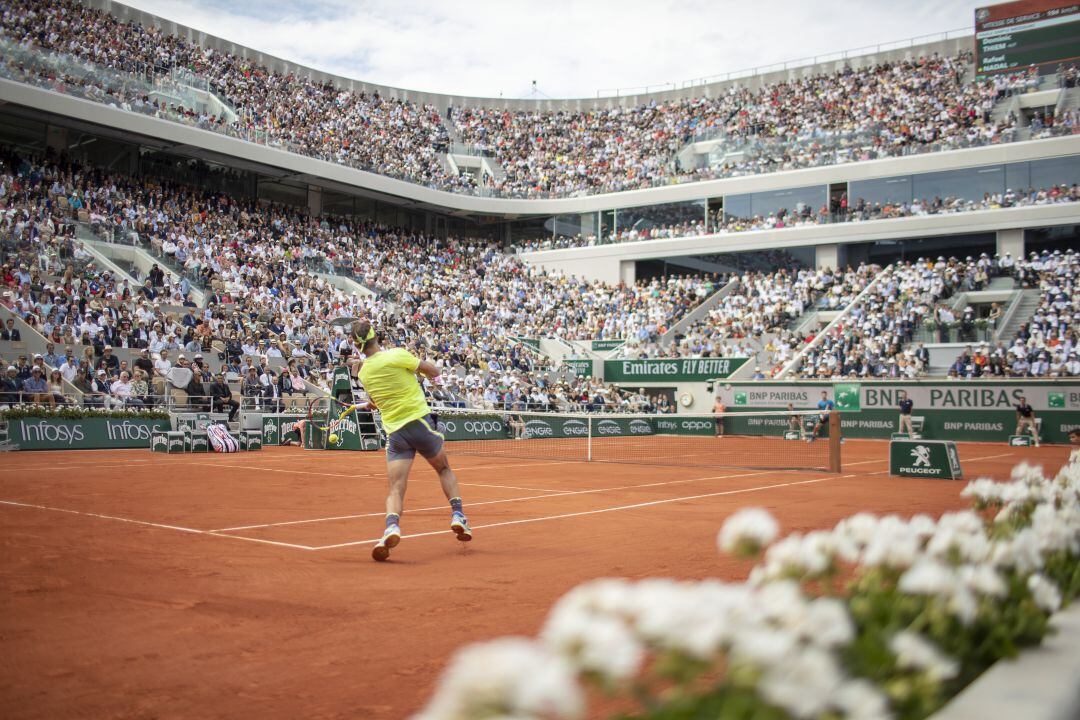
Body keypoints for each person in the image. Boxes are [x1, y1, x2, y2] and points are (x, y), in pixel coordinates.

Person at [351, 320, 471, 562]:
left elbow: (374, 402)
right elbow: (434, 371)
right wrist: (419, 372)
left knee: (396, 488)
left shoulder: (363, 372)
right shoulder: (396, 355)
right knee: (443, 468)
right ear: (378, 338)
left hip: (396, 435)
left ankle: (391, 527)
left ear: (357, 346)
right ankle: (458, 515)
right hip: (420, 423)